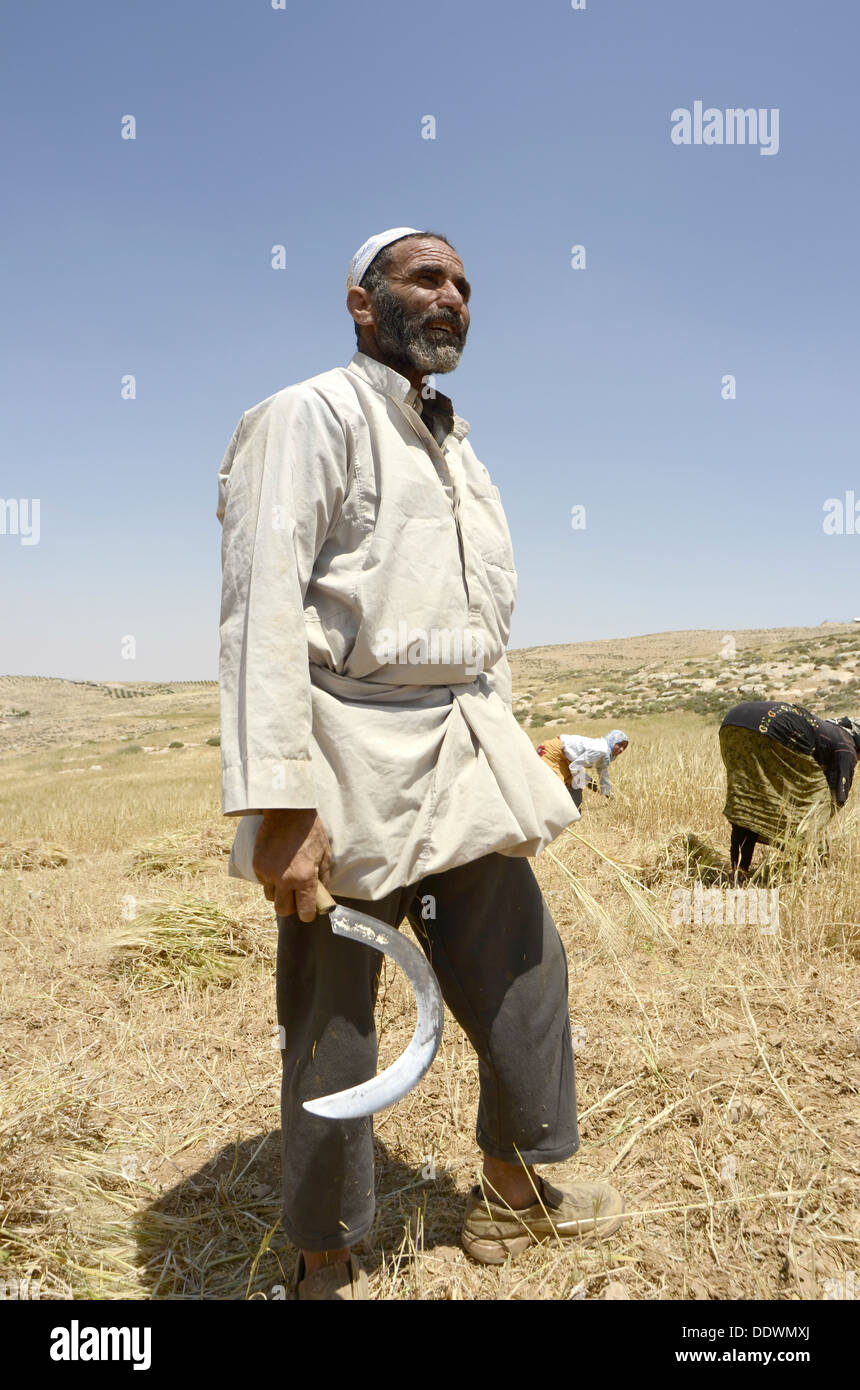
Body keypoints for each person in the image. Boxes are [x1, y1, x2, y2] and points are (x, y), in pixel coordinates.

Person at [217, 227, 625, 1300]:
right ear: (361, 302)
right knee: (334, 1019)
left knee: (524, 969)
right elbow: (260, 611)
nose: (450, 297)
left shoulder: (456, 444)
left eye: (461, 285)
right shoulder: (304, 416)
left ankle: (509, 1190)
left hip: (458, 751)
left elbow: (468, 622)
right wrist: (281, 800)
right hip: (341, 759)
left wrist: (520, 754)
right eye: (424, 278)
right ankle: (325, 1258)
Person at [719, 702, 859, 875]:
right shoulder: (847, 746)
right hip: (774, 728)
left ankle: (739, 869)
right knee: (813, 798)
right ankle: (814, 866)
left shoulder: (829, 730)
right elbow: (836, 796)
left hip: (732, 723)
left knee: (751, 799)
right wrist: (809, 830)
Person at [537, 730, 629, 809]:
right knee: (556, 787)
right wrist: (589, 782)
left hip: (567, 759)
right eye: (619, 744)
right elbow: (575, 767)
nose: (621, 749)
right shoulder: (601, 750)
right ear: (612, 741)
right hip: (554, 752)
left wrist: (609, 793)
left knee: (575, 786)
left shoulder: (605, 755)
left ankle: (572, 816)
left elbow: (603, 774)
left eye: (624, 747)